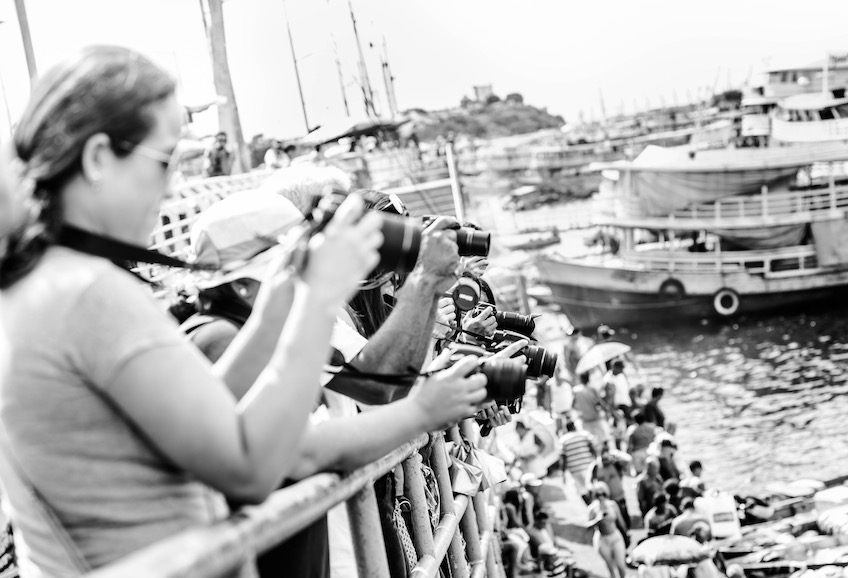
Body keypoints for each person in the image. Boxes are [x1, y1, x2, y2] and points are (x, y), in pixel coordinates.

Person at [0, 46, 486, 575]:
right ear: (97, 158)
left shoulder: (44, 283)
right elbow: (249, 465)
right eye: (164, 161)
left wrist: (276, 308)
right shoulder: (87, 293)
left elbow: (207, 410)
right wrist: (320, 301)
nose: (170, 186)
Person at [179, 190, 487, 577]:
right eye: (300, 261)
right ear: (242, 285)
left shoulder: (280, 324)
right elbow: (364, 401)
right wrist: (423, 412)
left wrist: (431, 282)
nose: (319, 268)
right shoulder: (220, 339)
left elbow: (380, 382)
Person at [587, 482, 628, 578]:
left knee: (621, 565)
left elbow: (621, 521)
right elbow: (587, 527)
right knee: (610, 567)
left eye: (603, 494)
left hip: (615, 536)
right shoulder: (592, 509)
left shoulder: (612, 504)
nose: (601, 496)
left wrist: (626, 534)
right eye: (598, 494)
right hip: (602, 539)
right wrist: (597, 520)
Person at [587, 451, 629, 527]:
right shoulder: (596, 467)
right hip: (607, 500)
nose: (605, 461)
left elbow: (628, 460)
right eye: (603, 458)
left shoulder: (616, 464)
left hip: (619, 497)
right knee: (614, 522)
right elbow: (590, 482)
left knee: (624, 519)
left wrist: (615, 454)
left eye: (607, 458)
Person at [559, 422, 595, 504]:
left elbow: (563, 458)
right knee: (591, 486)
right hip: (588, 466)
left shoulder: (563, 440)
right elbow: (592, 448)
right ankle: (594, 505)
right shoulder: (584, 435)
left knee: (582, 490)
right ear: (574, 426)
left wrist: (563, 473)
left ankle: (590, 505)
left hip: (575, 469)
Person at [572, 375, 609, 453]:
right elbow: (599, 403)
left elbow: (573, 405)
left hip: (584, 419)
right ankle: (606, 455)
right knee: (603, 439)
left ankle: (595, 456)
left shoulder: (576, 390)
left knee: (588, 442)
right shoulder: (592, 389)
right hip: (595, 418)